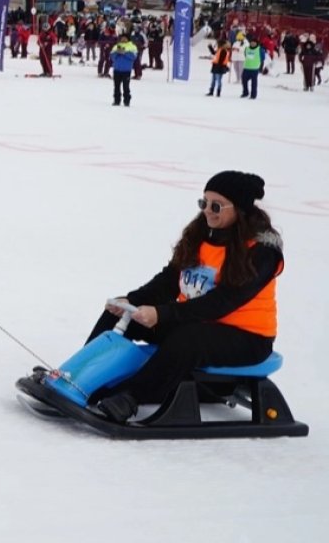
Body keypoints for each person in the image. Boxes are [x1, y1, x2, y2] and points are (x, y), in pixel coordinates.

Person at [86, 171, 282, 423]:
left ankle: (130, 398)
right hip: (196, 322)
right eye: (204, 203)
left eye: (216, 206)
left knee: (187, 338)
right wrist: (131, 301)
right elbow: (169, 280)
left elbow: (221, 302)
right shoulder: (200, 235)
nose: (207, 211)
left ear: (240, 209)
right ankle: (79, 379)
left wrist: (162, 314)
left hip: (248, 338)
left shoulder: (262, 252)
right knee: (124, 315)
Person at [109, 33, 136, 106]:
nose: (123, 39)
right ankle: (116, 100)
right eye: (122, 38)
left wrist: (124, 52)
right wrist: (117, 53)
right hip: (117, 69)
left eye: (125, 38)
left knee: (126, 86)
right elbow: (112, 56)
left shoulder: (132, 47)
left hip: (126, 70)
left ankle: (127, 101)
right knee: (116, 86)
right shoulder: (116, 46)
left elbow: (133, 57)